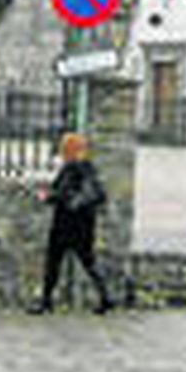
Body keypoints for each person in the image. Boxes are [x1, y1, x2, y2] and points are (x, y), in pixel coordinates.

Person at [29, 132, 114, 315]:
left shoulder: (72, 168)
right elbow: (94, 194)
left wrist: (47, 196)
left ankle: (46, 301)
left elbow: (63, 193)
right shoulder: (88, 168)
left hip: (66, 222)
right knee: (88, 261)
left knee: (53, 262)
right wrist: (52, 195)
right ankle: (106, 297)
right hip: (85, 223)